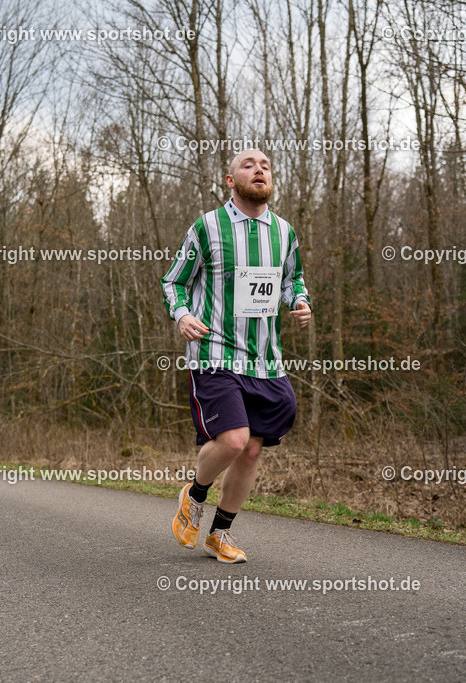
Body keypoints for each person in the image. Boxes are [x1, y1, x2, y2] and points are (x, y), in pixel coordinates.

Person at [162, 149, 311, 563]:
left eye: (265, 166)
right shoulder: (209, 227)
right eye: (248, 165)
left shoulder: (284, 232)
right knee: (233, 439)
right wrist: (183, 315)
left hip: (265, 360)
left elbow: (292, 280)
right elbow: (173, 281)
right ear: (230, 181)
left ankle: (219, 535)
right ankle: (193, 496)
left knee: (252, 450)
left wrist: (300, 301)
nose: (259, 169)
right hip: (215, 352)